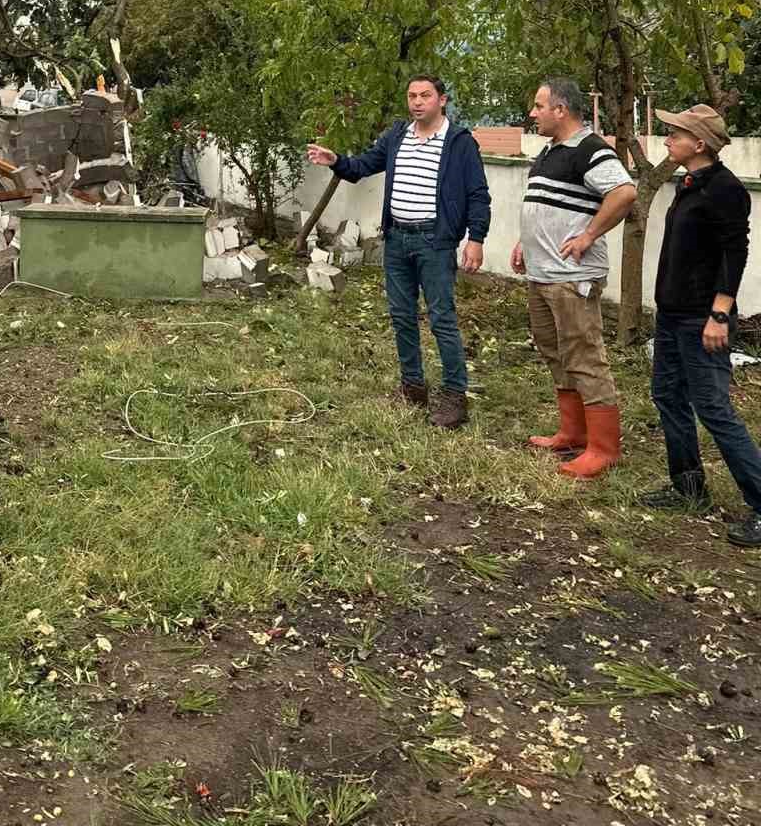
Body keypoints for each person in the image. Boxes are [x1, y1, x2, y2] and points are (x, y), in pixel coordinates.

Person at [307, 73, 490, 429]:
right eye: (411, 96)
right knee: (402, 316)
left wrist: (476, 239)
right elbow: (362, 167)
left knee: (442, 318)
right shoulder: (397, 136)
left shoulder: (459, 143)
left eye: (425, 95)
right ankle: (413, 388)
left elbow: (478, 195)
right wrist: (336, 160)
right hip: (397, 240)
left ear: (442, 100)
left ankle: (454, 396)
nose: (417, 102)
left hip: (434, 242)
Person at [640, 104, 760, 547]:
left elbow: (735, 253)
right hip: (672, 314)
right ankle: (688, 488)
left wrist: (720, 313)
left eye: (676, 134)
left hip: (700, 318)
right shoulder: (688, 184)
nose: (668, 139)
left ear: (700, 144)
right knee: (668, 395)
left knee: (713, 408)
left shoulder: (725, 189)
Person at [511, 77, 637, 479]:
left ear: (561, 110)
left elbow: (623, 192)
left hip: (573, 277)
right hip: (542, 273)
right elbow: (545, 204)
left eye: (539, 106)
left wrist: (589, 235)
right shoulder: (550, 151)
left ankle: (604, 448)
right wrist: (522, 242)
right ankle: (572, 432)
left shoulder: (590, 149)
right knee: (556, 352)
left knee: (585, 356)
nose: (533, 113)